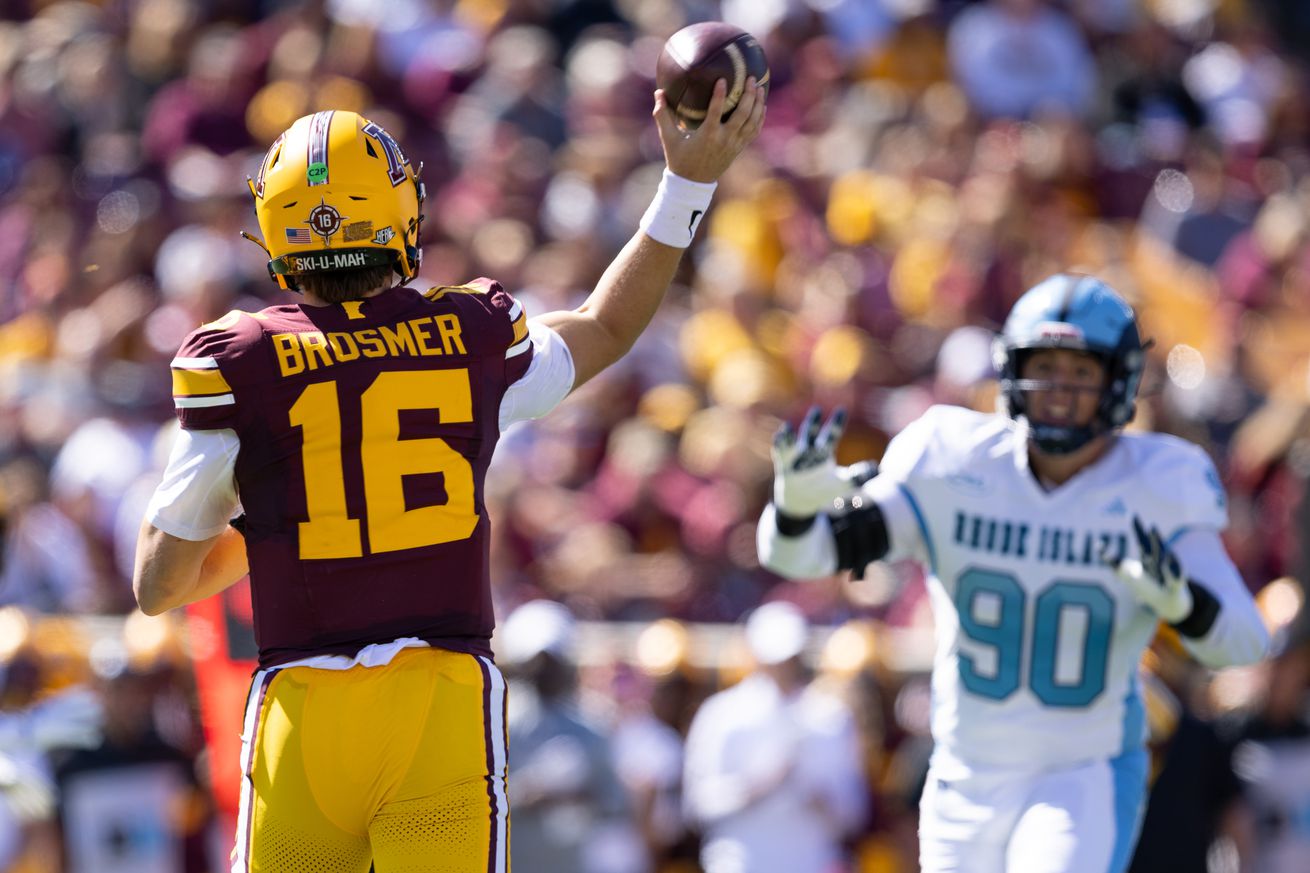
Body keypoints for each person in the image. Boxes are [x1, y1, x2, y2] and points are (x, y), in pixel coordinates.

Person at [131, 76, 766, 872]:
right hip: (438, 703)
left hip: (303, 709)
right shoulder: (465, 334)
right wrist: (688, 181)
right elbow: (606, 325)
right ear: (398, 213)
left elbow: (158, 582)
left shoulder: (240, 360)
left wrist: (268, 524)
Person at [757, 273, 1270, 873]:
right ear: (1012, 369)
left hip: (1083, 770)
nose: (1059, 389)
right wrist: (794, 510)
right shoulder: (953, 458)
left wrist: (1185, 605)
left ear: (1120, 380)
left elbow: (1244, 640)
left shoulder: (1159, 482)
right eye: (1046, 366)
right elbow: (797, 557)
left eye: (1081, 372)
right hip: (966, 770)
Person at [682, 601, 868, 873]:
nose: (783, 667)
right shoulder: (721, 715)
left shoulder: (831, 718)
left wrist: (815, 794)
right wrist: (760, 785)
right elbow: (697, 806)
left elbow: (853, 814)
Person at [499, 600, 646, 873]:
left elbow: (616, 803)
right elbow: (471, 802)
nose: (544, 671)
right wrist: (525, 795)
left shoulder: (591, 727)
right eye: (536, 662)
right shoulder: (498, 724)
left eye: (552, 661)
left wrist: (577, 796)